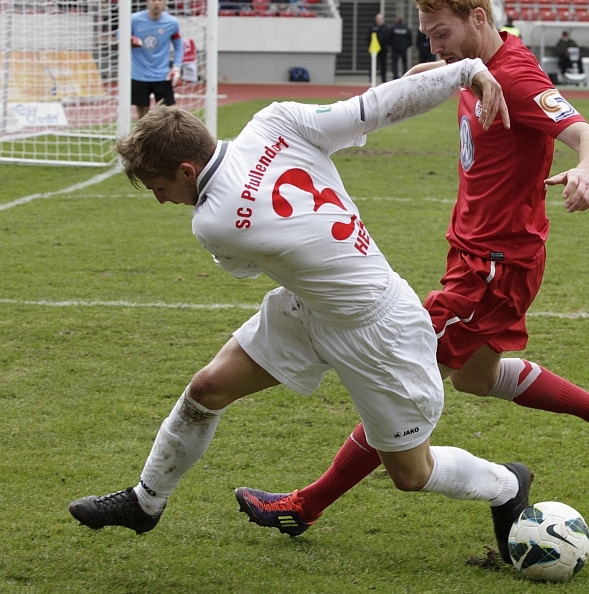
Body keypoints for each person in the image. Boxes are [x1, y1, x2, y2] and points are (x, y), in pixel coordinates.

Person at [232, 0, 589, 561]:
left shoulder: (516, 78)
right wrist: (427, 72)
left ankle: (304, 505)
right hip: (480, 257)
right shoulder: (475, 62)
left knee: (396, 379)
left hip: (492, 268)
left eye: (442, 34)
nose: (435, 46)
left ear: (477, 18)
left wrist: (588, 171)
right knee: (475, 379)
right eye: (428, 35)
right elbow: (431, 74)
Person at [67, 59, 537, 566]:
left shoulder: (212, 223)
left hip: (378, 328)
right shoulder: (277, 120)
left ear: (186, 171)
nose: (162, 201)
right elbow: (376, 106)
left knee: (411, 474)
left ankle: (507, 484)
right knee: (208, 388)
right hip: (310, 306)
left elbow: (244, 269)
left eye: (160, 188)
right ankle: (146, 501)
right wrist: (466, 70)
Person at [130, 0, 183, 119]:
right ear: (148, 1)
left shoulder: (171, 23)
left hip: (162, 75)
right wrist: (130, 39)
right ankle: (143, 134)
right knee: (142, 115)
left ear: (164, 2)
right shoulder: (134, 20)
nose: (156, 2)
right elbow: (120, 34)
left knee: (166, 116)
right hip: (139, 74)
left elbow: (178, 45)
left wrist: (176, 67)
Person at [390, 15, 413, 80]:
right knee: (404, 62)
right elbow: (410, 38)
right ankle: (405, 75)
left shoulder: (393, 28)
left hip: (395, 48)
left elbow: (389, 37)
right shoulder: (406, 28)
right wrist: (406, 45)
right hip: (403, 48)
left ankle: (395, 76)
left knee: (395, 62)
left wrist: (392, 44)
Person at [371, 13, 391, 83]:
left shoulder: (386, 28)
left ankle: (383, 78)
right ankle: (372, 77)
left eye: (380, 19)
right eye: (377, 19)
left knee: (383, 64)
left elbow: (388, 37)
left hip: (383, 49)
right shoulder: (373, 27)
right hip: (374, 49)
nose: (378, 20)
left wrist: (388, 44)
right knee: (373, 63)